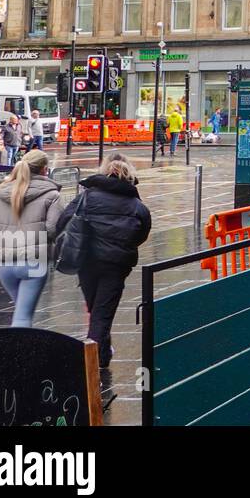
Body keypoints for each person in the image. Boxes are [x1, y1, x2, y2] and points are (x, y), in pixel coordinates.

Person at [56, 152, 151, 366]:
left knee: (96, 309)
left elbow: (63, 221)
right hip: (116, 264)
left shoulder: (87, 197)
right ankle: (96, 359)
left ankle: (99, 356)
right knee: (102, 312)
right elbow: (142, 233)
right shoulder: (136, 204)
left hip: (86, 260)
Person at [0, 149, 62, 327]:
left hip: (5, 264)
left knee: (21, 312)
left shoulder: (0, 194)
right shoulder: (51, 195)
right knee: (23, 318)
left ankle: (20, 350)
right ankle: (19, 353)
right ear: (44, 170)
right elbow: (53, 229)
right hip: (34, 262)